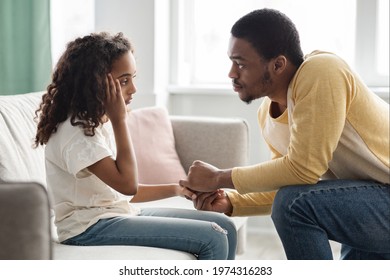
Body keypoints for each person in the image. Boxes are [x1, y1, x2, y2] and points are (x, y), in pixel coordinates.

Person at [180, 9, 390, 260]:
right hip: (369, 196)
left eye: (241, 63)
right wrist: (232, 202)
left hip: (380, 194)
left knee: (293, 204)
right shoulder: (267, 114)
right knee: (292, 200)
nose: (232, 74)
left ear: (278, 64)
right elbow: (287, 182)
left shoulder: (321, 71)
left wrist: (218, 178)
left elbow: (303, 169)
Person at [34, 32, 237, 260]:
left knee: (224, 226)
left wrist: (178, 189)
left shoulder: (93, 122)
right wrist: (120, 120)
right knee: (213, 236)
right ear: (95, 83)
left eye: (133, 78)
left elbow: (121, 193)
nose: (133, 89)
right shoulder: (75, 134)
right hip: (86, 228)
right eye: (123, 81)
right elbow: (127, 185)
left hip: (115, 214)